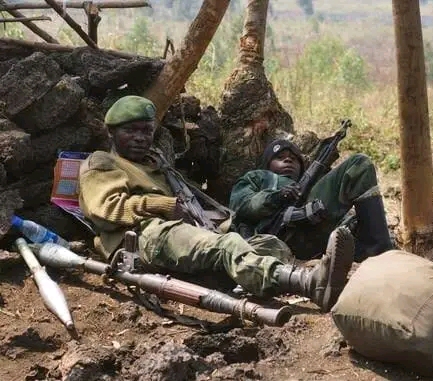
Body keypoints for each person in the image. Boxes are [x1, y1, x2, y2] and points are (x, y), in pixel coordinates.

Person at [77, 95, 354, 313]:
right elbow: (106, 209)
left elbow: (193, 204)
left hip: (178, 233)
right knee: (229, 246)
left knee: (269, 243)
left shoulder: (157, 166)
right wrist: (162, 205)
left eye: (146, 131)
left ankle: (300, 277)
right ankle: (308, 283)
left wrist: (221, 222)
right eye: (131, 131)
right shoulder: (102, 162)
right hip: (144, 236)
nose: (141, 138)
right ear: (111, 133)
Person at [229, 138, 393, 262]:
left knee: (360, 165)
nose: (288, 160)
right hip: (277, 236)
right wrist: (277, 196)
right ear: (267, 164)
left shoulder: (309, 186)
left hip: (315, 236)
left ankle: (378, 249)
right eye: (280, 157)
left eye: (294, 158)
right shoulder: (258, 177)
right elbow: (241, 204)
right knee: (358, 162)